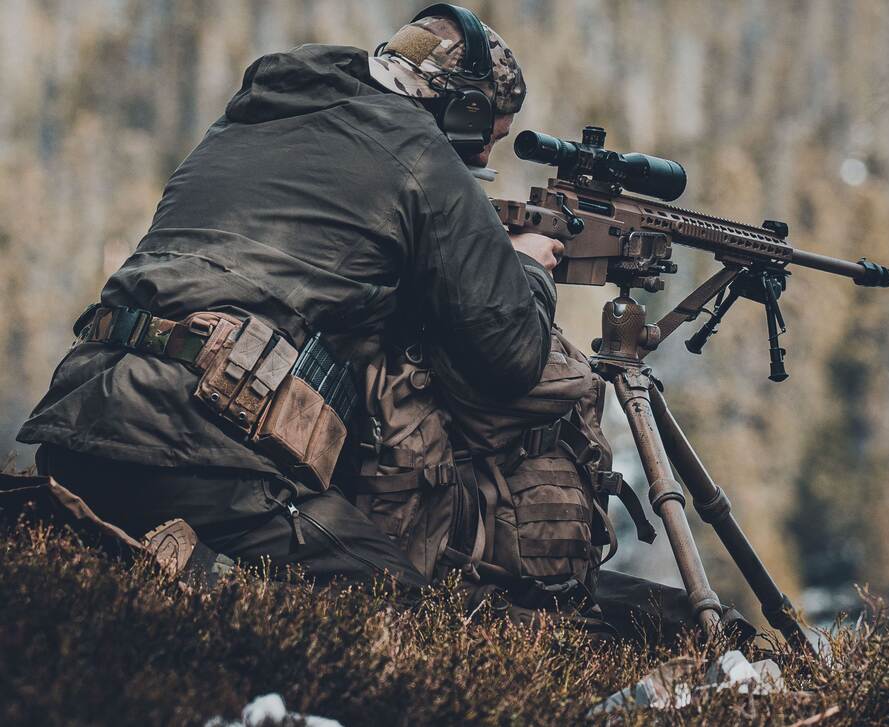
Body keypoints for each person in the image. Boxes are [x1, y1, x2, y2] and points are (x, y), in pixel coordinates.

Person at [16, 4, 564, 592]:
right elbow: (510, 357)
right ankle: (205, 578)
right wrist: (528, 266)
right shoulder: (422, 153)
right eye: (489, 137)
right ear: (464, 109)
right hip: (201, 453)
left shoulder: (247, 120)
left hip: (77, 424)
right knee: (398, 607)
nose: (483, 159)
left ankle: (144, 556)